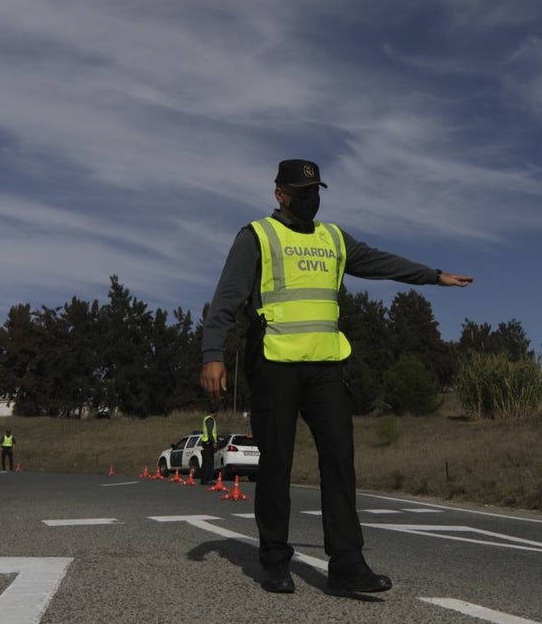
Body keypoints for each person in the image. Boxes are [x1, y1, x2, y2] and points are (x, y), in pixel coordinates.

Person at [200, 159, 473, 596]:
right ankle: (273, 561)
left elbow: (381, 261)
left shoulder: (333, 238)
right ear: (279, 194)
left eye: (315, 192)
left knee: (341, 464)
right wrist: (212, 354)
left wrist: (433, 277)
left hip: (326, 366)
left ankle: (347, 564)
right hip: (274, 364)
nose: (310, 200)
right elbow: (227, 297)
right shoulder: (257, 236)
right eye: (301, 193)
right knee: (276, 465)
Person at [200, 405, 219, 485]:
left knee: (207, 462)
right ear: (215, 413)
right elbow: (210, 433)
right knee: (209, 462)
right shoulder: (210, 420)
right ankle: (207, 480)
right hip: (208, 443)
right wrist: (214, 442)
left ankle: (205, 480)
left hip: (207, 443)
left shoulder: (207, 419)